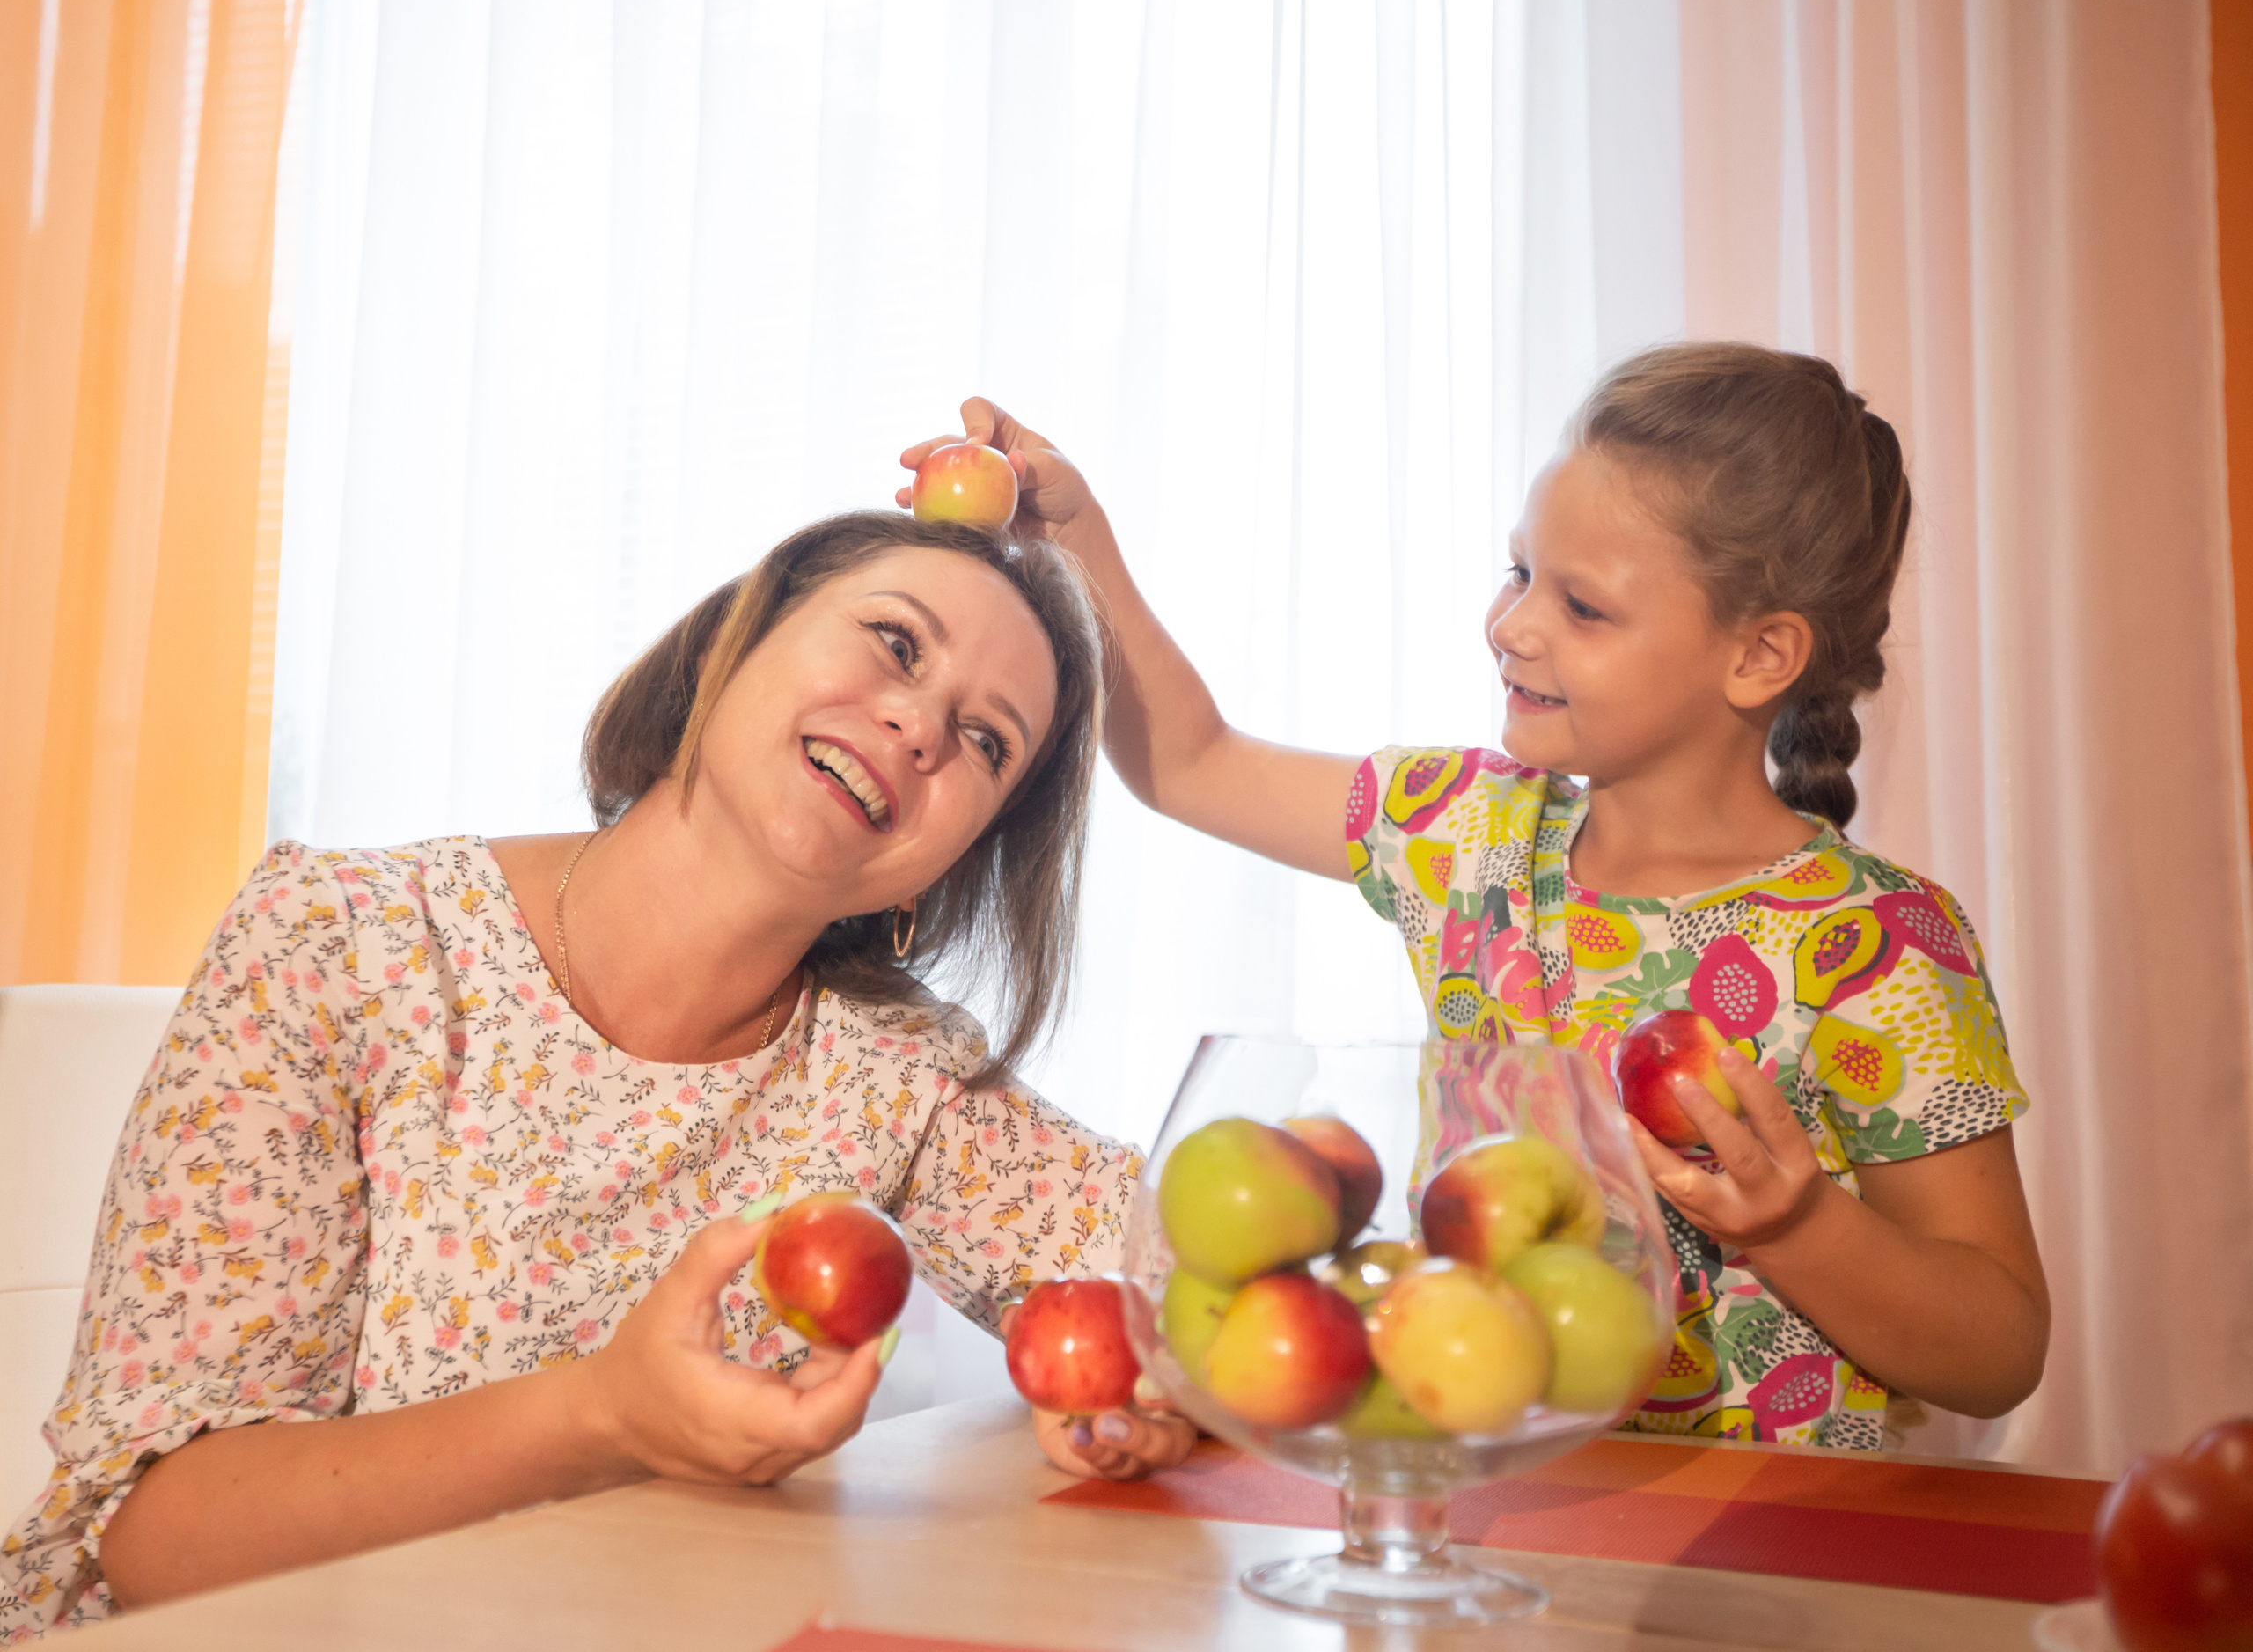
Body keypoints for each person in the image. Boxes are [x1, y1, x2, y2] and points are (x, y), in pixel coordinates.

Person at [0, 512, 1191, 1635]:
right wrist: (605, 1416)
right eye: (895, 641)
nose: (922, 726)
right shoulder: (341, 940)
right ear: (729, 644)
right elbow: (156, 1540)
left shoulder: (897, 1071)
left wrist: (1153, 1391)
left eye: (986, 742)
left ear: (952, 863)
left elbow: (1199, 1285)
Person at [904, 345, 2049, 1450]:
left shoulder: (1883, 945)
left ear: (1759, 656)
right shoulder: (1464, 831)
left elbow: (1999, 1350)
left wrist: (1797, 1225)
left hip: (1769, 1541)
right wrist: (1079, 542)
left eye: (1582, 608)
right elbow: (1191, 763)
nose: (1513, 626)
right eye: (1519, 573)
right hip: (1496, 1502)